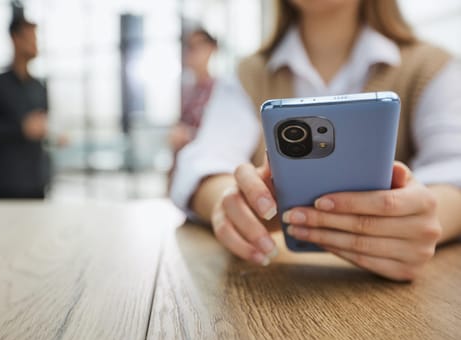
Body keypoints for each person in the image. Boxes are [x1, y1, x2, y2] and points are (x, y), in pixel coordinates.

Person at [170, 0, 461, 281]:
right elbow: (203, 162)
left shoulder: (432, 68)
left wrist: (426, 218)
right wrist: (230, 201)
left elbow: (454, 170)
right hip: (281, 278)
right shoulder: (248, 75)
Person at [0, 11, 50, 199]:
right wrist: (20, 128)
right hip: (10, 181)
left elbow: (42, 124)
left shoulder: (39, 86)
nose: (35, 44)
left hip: (38, 179)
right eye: (30, 37)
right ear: (15, 39)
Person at [168, 28, 218, 154]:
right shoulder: (187, 91)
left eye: (198, 46)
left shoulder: (220, 90)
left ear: (211, 49)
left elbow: (221, 135)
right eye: (189, 47)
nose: (192, 53)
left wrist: (188, 136)